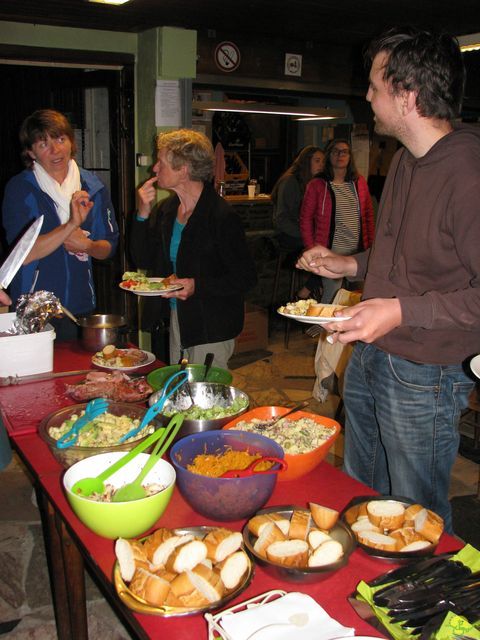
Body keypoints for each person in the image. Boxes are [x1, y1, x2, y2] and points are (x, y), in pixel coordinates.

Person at [296, 26, 480, 533]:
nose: (368, 97)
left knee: (413, 518)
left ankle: (423, 610)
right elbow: (408, 259)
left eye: (375, 86)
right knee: (362, 499)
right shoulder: (403, 161)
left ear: (408, 94)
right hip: (375, 353)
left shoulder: (468, 172)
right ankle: (365, 601)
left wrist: (399, 310)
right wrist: (350, 263)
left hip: (427, 372)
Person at [130, 128, 257, 369]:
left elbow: (246, 278)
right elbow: (142, 259)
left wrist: (197, 286)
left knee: (204, 400)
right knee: (181, 393)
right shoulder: (166, 210)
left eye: (161, 162)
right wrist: (142, 214)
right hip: (176, 318)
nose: (154, 169)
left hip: (211, 324)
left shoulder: (221, 216)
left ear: (184, 169)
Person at [2, 109, 119, 340]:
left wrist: (87, 246)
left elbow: (109, 247)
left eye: (60, 139)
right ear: (30, 152)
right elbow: (23, 254)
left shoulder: (93, 186)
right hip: (33, 308)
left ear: (71, 141)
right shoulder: (20, 189)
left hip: (80, 304)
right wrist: (70, 226)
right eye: (43, 144)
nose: (55, 150)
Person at [300, 138, 375, 303]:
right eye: (335, 151)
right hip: (331, 251)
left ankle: (349, 328)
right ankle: (322, 328)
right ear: (329, 155)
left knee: (361, 297)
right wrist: (312, 248)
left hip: (358, 251)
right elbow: (305, 220)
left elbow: (368, 215)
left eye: (344, 151)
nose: (340, 155)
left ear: (350, 157)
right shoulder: (317, 185)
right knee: (332, 297)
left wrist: (371, 246)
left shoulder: (359, 182)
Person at [271, 145, 325, 300]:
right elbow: (281, 220)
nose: (321, 164)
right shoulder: (290, 182)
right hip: (288, 235)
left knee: (334, 248)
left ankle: (310, 288)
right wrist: (307, 234)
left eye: (323, 161)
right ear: (306, 162)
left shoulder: (316, 183)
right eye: (317, 160)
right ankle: (310, 289)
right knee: (323, 249)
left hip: (302, 233)